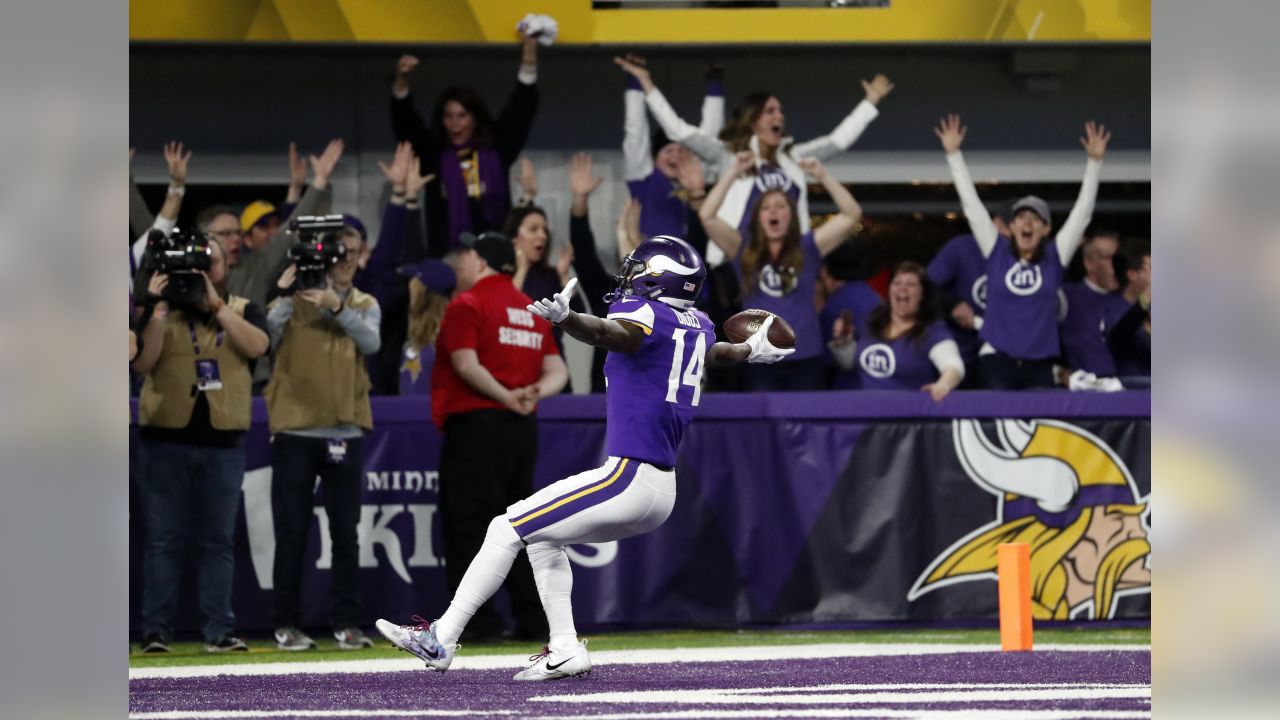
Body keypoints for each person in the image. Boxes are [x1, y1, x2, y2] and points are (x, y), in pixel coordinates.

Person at [376, 234, 792, 680]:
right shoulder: (699, 325)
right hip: (658, 487)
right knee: (543, 539)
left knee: (505, 526)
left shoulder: (645, 314)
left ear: (660, 279)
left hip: (628, 476)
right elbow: (718, 355)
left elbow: (611, 334)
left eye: (638, 270)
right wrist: (751, 349)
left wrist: (568, 319)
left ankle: (442, 636)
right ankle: (564, 648)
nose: (628, 278)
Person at [428, 231, 569, 643]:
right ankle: (531, 620)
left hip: (476, 426)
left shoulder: (468, 303)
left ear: (481, 261)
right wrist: (531, 394)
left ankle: (477, 622)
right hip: (522, 430)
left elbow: (465, 363)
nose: (461, 262)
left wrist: (506, 396)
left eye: (466, 254)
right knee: (521, 526)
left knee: (468, 527)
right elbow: (557, 370)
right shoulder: (529, 310)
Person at [616, 56, 892, 265]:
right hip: (733, 261)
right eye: (770, 111)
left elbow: (838, 141)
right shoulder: (729, 155)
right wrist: (645, 83)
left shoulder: (793, 157)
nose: (779, 117)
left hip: (784, 261)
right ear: (753, 118)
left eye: (781, 111)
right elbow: (678, 130)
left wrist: (870, 102)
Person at [130, 237, 268, 653]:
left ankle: (218, 630)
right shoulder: (160, 310)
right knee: (163, 539)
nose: (203, 269)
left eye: (211, 262)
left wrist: (216, 306)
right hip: (164, 438)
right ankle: (155, 631)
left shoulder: (242, 307)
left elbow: (259, 346)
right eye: (196, 262)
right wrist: (155, 309)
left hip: (223, 441)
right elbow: (143, 363)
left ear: (225, 267)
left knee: (217, 541)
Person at [264, 226, 381, 652]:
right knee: (291, 532)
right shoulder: (292, 302)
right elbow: (264, 340)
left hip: (345, 429)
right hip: (296, 428)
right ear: (327, 259)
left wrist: (338, 308)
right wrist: (283, 294)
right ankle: (286, 625)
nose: (347, 259)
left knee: (345, 535)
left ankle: (347, 624)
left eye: (353, 252)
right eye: (340, 253)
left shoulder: (365, 303)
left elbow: (372, 342)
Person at [935, 113, 1112, 389]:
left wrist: (1095, 163)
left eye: (1035, 219)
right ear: (1012, 226)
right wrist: (954, 155)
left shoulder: (1055, 257)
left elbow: (1083, 212)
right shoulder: (996, 251)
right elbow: (972, 207)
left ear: (1046, 229)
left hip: (1040, 365)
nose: (1027, 222)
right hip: (995, 362)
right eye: (1020, 217)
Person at [700, 151, 863, 390]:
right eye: (766, 208)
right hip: (759, 359)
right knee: (762, 428)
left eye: (781, 206)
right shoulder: (742, 247)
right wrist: (733, 172)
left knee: (808, 426)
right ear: (759, 218)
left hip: (806, 358)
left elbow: (852, 214)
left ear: (792, 215)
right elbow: (707, 215)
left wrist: (821, 175)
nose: (774, 211)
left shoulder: (808, 247)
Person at [390, 32, 542, 255]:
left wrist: (529, 59)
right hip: (449, 260)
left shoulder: (495, 150)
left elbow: (519, 112)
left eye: (462, 116)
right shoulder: (435, 156)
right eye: (449, 116)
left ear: (475, 118)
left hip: (494, 259)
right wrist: (401, 82)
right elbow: (407, 125)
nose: (455, 123)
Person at [229, 140, 343, 309]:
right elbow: (283, 239)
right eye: (263, 227)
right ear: (247, 239)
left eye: (276, 224)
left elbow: (287, 235)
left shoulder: (262, 266)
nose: (273, 232)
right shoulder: (250, 269)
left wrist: (316, 182)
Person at [828, 262, 964, 401]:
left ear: (922, 294)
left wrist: (943, 385)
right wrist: (843, 342)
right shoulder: (873, 322)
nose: (902, 288)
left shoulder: (933, 331)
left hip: (907, 416)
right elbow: (850, 363)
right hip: (867, 413)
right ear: (889, 290)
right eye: (897, 283)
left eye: (911, 284)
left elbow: (954, 365)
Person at [622, 54, 722, 239]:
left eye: (681, 150)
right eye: (668, 150)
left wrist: (715, 83)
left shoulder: (698, 181)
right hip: (652, 264)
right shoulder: (644, 180)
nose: (676, 155)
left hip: (693, 264)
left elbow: (710, 138)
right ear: (653, 158)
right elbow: (635, 131)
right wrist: (635, 78)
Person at [1059, 231, 1131, 377]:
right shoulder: (1067, 297)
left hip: (1130, 388)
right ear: (1089, 263)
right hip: (1088, 392)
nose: (1116, 265)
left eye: (1118, 258)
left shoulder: (1131, 297)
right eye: (1108, 258)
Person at [818, 242, 884, 389]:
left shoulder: (832, 309)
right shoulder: (875, 298)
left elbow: (827, 364)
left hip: (850, 391)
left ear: (825, 270)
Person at [1107, 238, 1151, 379]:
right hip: (1134, 393)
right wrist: (1147, 297)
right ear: (1132, 274)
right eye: (1152, 268)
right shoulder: (1113, 307)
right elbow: (1119, 334)